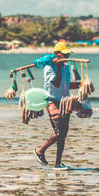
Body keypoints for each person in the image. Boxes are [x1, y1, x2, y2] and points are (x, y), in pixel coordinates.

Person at [32, 42, 79, 170]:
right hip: (52, 101)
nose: (68, 55)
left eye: (68, 53)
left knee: (63, 134)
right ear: (57, 54)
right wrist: (57, 67)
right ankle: (40, 151)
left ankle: (58, 164)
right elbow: (56, 83)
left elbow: (66, 84)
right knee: (58, 132)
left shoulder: (65, 66)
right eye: (65, 53)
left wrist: (82, 84)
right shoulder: (49, 67)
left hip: (64, 101)